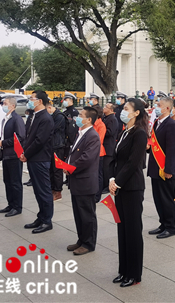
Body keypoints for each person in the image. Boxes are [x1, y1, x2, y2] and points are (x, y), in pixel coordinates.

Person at [109, 98, 148, 287]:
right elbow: (116, 159)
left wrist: (118, 182)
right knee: (122, 229)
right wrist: (111, 179)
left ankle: (134, 274)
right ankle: (123, 270)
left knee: (133, 231)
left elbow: (134, 163)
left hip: (132, 187)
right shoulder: (125, 132)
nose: (122, 111)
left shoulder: (140, 134)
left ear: (136, 113)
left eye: (126, 108)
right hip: (120, 186)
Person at [63, 107, 100, 255]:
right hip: (76, 180)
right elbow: (73, 153)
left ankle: (88, 243)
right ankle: (81, 239)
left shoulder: (92, 136)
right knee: (78, 213)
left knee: (87, 214)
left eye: (81, 115)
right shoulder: (81, 133)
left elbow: (87, 159)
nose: (78, 117)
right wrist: (65, 163)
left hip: (85, 182)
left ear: (89, 119)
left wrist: (70, 167)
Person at [20, 91, 54, 234]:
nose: (30, 101)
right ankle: (41, 216)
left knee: (44, 190)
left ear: (39, 101)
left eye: (31, 99)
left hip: (40, 159)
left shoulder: (45, 118)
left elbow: (39, 141)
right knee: (38, 190)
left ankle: (47, 220)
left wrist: (26, 154)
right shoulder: (35, 116)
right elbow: (29, 137)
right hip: (33, 157)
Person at [147, 97, 175, 239]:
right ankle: (163, 224)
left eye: (159, 105)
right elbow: (155, 145)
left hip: (165, 169)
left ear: (167, 108)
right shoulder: (157, 122)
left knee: (166, 199)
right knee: (158, 198)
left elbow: (173, 150)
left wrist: (169, 170)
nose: (156, 106)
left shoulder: (171, 125)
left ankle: (170, 227)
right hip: (155, 168)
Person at [0, 97, 25, 216]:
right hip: (6, 154)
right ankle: (11, 204)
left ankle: (17, 206)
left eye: (5, 103)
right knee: (7, 180)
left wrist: (4, 142)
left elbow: (20, 137)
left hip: (14, 154)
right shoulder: (6, 118)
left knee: (15, 182)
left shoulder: (16, 119)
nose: (3, 105)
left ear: (12, 106)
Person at [46, 102, 67, 201]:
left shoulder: (59, 117)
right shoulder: (52, 116)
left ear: (50, 107)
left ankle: (58, 191)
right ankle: (52, 189)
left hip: (58, 146)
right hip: (51, 146)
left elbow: (51, 129)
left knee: (57, 170)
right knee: (50, 169)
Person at [102, 103, 118, 193]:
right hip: (104, 146)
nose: (104, 108)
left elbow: (110, 132)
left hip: (109, 147)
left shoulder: (112, 119)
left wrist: (101, 130)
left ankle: (106, 185)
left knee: (107, 167)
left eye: (106, 107)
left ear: (111, 110)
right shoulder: (105, 118)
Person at [93, 110, 107, 202]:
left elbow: (99, 140)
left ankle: (97, 195)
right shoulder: (92, 124)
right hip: (91, 152)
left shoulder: (101, 125)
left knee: (98, 174)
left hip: (98, 152)